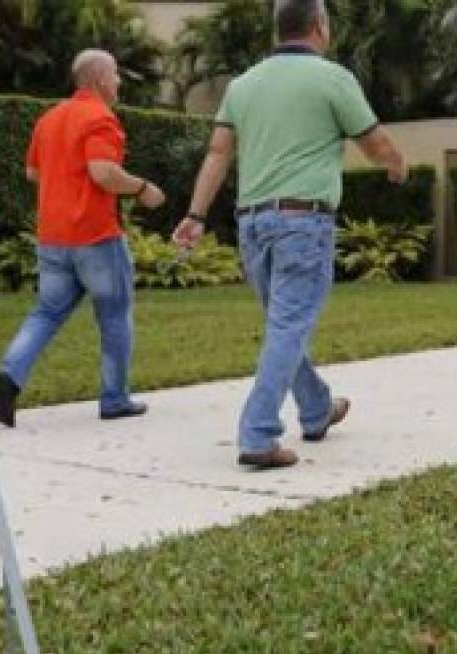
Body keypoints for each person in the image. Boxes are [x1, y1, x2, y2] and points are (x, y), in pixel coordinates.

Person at [173, 0, 407, 470]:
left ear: (278, 31)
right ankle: (257, 433)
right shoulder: (332, 78)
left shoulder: (244, 85)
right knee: (288, 326)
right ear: (320, 27)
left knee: (284, 324)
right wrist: (396, 166)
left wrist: (196, 214)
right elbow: (374, 141)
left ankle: (317, 408)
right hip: (302, 223)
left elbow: (218, 154)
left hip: (252, 224)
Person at [0, 49, 166, 428]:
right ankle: (115, 399)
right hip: (95, 236)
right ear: (100, 78)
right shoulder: (100, 117)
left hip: (52, 238)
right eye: (116, 75)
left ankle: (9, 374)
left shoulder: (49, 118)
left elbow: (34, 173)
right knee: (115, 314)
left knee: (47, 311)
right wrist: (143, 189)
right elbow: (103, 172)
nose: (119, 82)